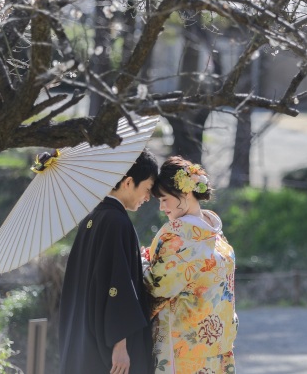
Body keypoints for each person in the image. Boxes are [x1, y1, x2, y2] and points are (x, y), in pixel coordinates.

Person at [59, 149, 159, 374]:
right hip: (111, 349)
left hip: (85, 337)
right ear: (128, 182)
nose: (148, 198)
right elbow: (116, 285)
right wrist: (120, 346)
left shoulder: (92, 217)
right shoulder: (116, 222)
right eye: (147, 189)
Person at [143, 156, 237, 374]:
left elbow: (156, 289)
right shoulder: (214, 232)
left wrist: (142, 263)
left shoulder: (178, 236)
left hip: (183, 346)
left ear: (185, 193)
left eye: (164, 199)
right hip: (218, 339)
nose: (161, 207)